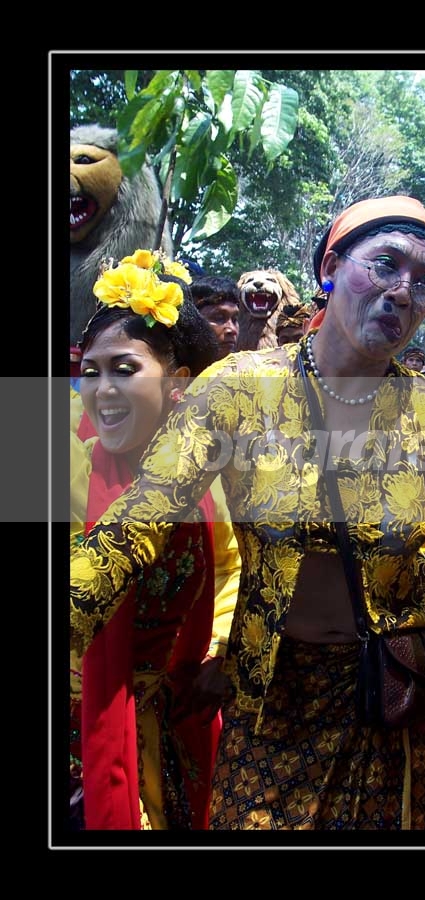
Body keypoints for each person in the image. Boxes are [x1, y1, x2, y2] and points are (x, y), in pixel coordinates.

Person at [70, 195, 425, 831]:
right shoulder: (237, 390)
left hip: (391, 699)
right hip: (272, 697)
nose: (402, 291)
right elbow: (141, 520)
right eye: (385, 264)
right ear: (331, 267)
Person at [69, 249, 241, 830]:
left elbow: (230, 568)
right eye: (90, 371)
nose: (102, 389)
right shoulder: (62, 462)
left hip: (171, 723)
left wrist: (219, 654)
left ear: (177, 382)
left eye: (124, 369)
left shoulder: (203, 480)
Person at [191, 274, 240, 358]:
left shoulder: (251, 365)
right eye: (219, 318)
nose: (232, 329)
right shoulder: (171, 365)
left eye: (234, 319)